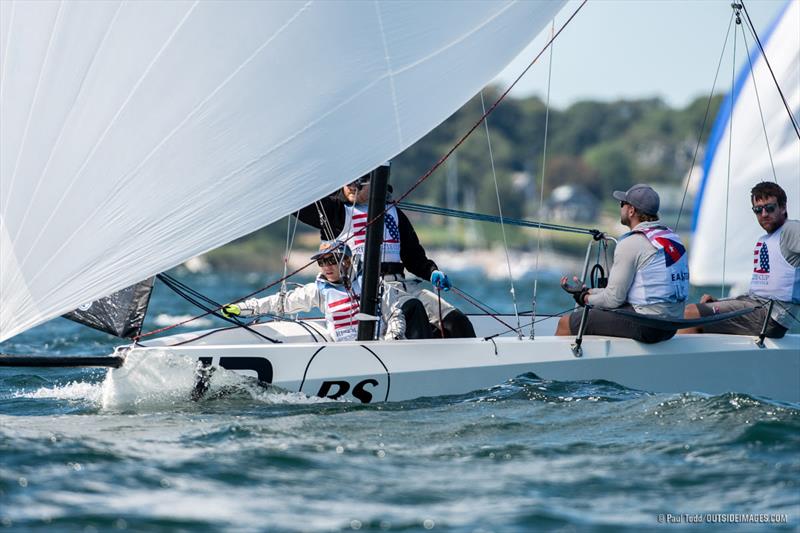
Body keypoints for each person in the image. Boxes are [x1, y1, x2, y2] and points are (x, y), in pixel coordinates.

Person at [295, 164, 476, 338]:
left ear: (375, 182)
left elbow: (413, 256)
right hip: (367, 292)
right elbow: (299, 207)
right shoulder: (337, 213)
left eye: (358, 181)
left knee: (457, 322)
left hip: (402, 286)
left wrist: (432, 272)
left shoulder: (393, 212)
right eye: (347, 182)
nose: (351, 187)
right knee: (414, 311)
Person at [555, 184, 689, 343]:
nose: (620, 208)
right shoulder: (672, 238)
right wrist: (590, 291)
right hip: (671, 326)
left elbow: (613, 300)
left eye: (622, 204)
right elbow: (628, 294)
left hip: (649, 326)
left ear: (631, 210)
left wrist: (584, 298)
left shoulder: (631, 243)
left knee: (565, 323)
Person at [222, 241, 430, 342]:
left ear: (347, 262)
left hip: (380, 349)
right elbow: (280, 303)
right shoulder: (319, 290)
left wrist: (390, 343)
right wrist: (242, 308)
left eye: (331, 260)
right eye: (322, 262)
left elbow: (394, 313)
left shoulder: (371, 284)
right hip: (344, 353)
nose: (326, 266)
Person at [680, 181, 799, 338]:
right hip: (757, 306)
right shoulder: (766, 238)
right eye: (758, 210)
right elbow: (759, 293)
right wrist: (720, 302)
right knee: (700, 307)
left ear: (783, 207)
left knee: (689, 314)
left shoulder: (790, 229)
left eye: (770, 208)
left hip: (771, 316)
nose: (764, 214)